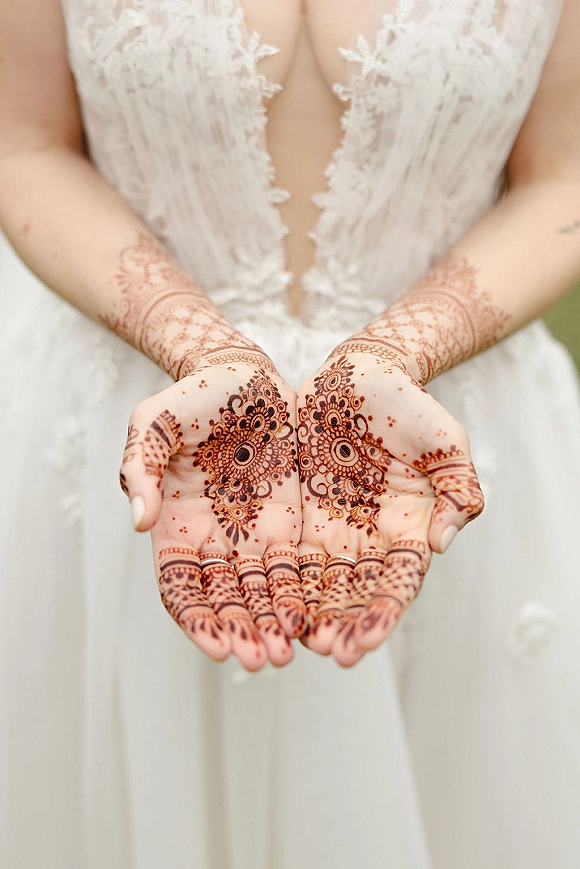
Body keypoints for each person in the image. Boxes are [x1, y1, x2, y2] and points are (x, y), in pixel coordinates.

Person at [1, 0, 579, 866]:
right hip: (138, 428)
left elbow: (563, 175)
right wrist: (192, 340)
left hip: (436, 434)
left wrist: (399, 348)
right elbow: (26, 143)